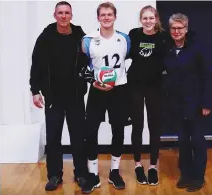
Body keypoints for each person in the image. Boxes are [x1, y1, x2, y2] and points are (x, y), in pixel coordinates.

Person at [29, 1, 89, 191]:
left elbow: (89, 61)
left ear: (71, 15)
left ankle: (80, 173)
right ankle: (54, 175)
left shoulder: (80, 36)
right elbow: (36, 63)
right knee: (53, 137)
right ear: (54, 15)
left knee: (78, 137)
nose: (64, 16)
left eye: (67, 13)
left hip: (75, 96)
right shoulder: (46, 37)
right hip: (53, 96)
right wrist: (35, 90)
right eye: (60, 13)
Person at [80, 2, 130, 194]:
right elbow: (81, 68)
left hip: (119, 91)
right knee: (90, 131)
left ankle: (114, 172)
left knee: (118, 130)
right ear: (98, 17)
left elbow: (132, 62)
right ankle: (93, 174)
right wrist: (93, 81)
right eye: (103, 15)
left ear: (115, 17)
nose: (107, 17)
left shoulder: (124, 39)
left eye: (110, 14)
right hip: (97, 91)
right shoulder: (87, 40)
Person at [163, 13, 212, 192]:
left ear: (186, 29)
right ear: (170, 30)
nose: (176, 31)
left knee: (197, 140)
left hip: (196, 103)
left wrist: (207, 103)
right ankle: (185, 174)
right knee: (183, 140)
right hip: (177, 103)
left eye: (180, 28)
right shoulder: (167, 48)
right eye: (173, 28)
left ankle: (198, 176)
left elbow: (208, 77)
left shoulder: (198, 47)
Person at [127, 5, 168, 185]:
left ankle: (152, 166)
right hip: (135, 86)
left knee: (154, 126)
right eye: (145, 18)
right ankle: (137, 165)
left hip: (155, 87)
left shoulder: (163, 37)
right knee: (137, 126)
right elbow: (123, 54)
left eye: (151, 18)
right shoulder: (134, 34)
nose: (148, 21)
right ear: (140, 19)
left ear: (156, 19)